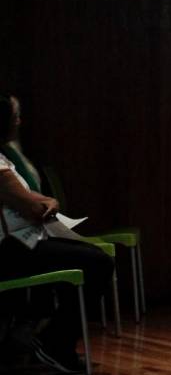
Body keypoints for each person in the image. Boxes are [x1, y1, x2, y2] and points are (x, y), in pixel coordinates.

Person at [0, 93, 113, 373]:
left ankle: (46, 336)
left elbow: (34, 198)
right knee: (98, 262)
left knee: (90, 258)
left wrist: (47, 202)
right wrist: (46, 203)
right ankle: (54, 343)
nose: (19, 122)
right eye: (15, 117)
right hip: (9, 250)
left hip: (21, 244)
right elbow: (33, 207)